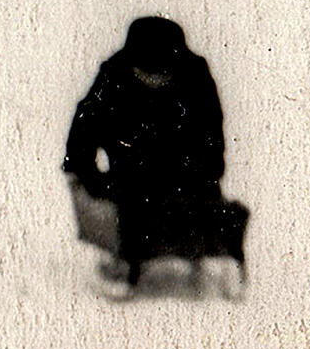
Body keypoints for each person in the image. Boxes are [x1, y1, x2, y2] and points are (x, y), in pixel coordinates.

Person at [63, 17, 240, 291]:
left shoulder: (196, 77)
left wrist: (205, 178)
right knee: (131, 208)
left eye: (162, 75)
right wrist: (88, 178)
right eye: (146, 74)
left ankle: (199, 252)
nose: (154, 80)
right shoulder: (114, 75)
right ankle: (130, 257)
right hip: (130, 178)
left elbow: (212, 140)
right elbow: (83, 131)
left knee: (203, 211)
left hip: (187, 176)